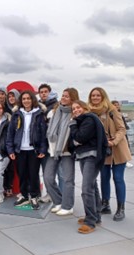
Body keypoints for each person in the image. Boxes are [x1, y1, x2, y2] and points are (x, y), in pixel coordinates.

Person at [88, 87, 132, 221]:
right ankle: (105, 204)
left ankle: (121, 208)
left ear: (103, 96)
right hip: (103, 150)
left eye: (98, 95)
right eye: (93, 95)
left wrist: (114, 141)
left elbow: (121, 129)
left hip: (117, 149)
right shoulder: (90, 112)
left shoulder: (112, 110)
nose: (95, 98)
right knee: (104, 177)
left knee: (118, 178)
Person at [70, 100, 108, 234]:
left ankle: (90, 222)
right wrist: (76, 140)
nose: (75, 110)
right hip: (84, 156)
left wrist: (73, 125)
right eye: (73, 109)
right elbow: (75, 140)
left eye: (78, 107)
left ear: (84, 108)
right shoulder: (83, 121)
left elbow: (79, 138)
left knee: (86, 188)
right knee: (92, 186)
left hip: (92, 156)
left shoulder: (89, 119)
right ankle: (95, 216)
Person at [6, 90, 47, 209]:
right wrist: (11, 150)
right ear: (21, 101)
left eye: (28, 98)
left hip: (33, 150)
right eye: (24, 99)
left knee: (33, 174)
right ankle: (24, 195)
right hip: (20, 150)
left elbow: (43, 133)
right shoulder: (17, 114)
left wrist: (43, 149)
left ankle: (34, 196)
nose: (26, 101)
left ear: (32, 100)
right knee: (22, 174)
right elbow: (10, 133)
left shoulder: (38, 114)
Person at [44, 88, 79, 216]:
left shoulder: (74, 113)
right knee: (48, 177)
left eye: (67, 96)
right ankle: (58, 201)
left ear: (73, 99)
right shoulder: (55, 111)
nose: (63, 98)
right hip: (53, 150)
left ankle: (68, 206)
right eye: (63, 96)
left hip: (67, 151)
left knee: (68, 179)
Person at [3, 89, 20, 197]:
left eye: (13, 96)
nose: (11, 98)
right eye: (9, 97)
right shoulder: (5, 109)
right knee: (7, 166)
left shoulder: (20, 109)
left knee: (18, 167)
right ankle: (7, 187)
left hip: (18, 142)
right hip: (6, 141)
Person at [112, 100, 133, 168]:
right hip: (117, 133)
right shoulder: (114, 114)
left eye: (117, 105)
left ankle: (124, 161)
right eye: (115, 105)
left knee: (124, 147)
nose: (117, 106)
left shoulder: (119, 114)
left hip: (122, 132)